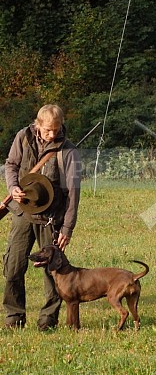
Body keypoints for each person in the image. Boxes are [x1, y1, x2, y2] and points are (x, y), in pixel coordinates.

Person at [3, 104, 81, 331]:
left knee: (53, 271)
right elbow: (11, 165)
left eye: (56, 130)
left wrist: (67, 228)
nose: (52, 134)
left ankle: (48, 320)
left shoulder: (69, 151)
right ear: (38, 124)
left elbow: (73, 194)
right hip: (22, 212)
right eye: (48, 130)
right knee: (13, 266)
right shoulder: (22, 138)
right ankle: (14, 318)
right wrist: (13, 187)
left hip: (51, 218)